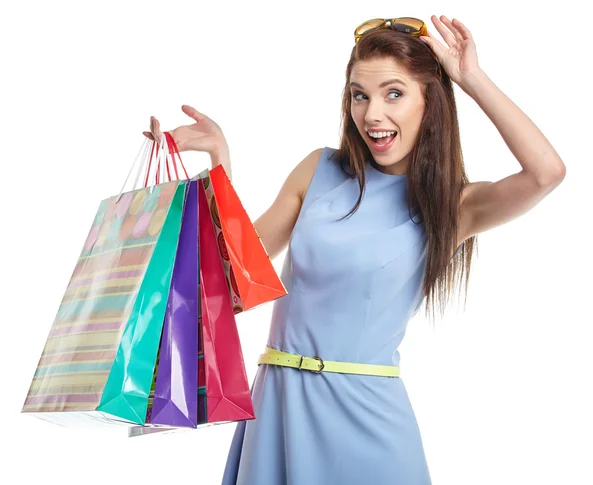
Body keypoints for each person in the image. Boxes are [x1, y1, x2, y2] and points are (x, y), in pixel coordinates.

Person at [144, 14, 566, 485]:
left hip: (368, 418)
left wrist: (471, 78)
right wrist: (221, 162)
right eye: (359, 95)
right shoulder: (319, 170)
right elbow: (234, 278)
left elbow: (546, 173)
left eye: (394, 94)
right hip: (278, 408)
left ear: (430, 100)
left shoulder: (453, 206)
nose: (372, 115)